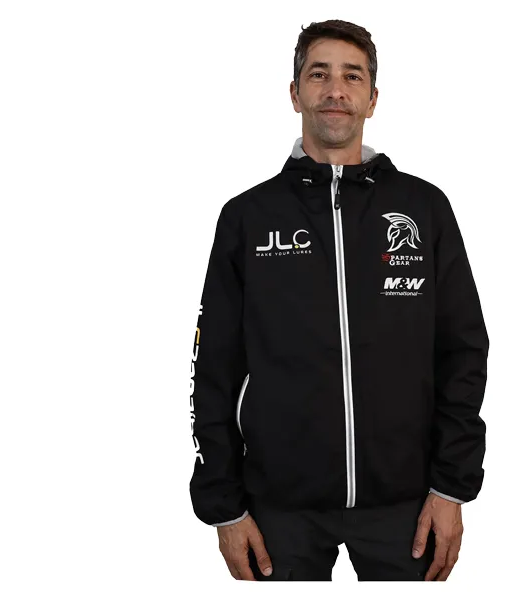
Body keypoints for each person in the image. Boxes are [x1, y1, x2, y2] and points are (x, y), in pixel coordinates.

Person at [188, 19, 489, 582]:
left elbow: (464, 352)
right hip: (278, 507)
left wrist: (452, 486)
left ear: (372, 99)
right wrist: (223, 506)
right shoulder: (247, 217)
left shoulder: (424, 209)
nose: (335, 90)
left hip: (407, 503)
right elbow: (213, 369)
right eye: (318, 74)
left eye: (352, 76)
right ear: (294, 92)